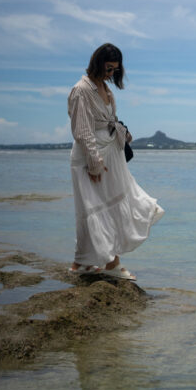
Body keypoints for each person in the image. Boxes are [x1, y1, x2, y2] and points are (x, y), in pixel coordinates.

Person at [67, 43, 163, 280]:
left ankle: (82, 263)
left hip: (111, 152)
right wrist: (94, 162)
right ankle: (111, 264)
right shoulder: (81, 90)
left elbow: (110, 120)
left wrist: (122, 133)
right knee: (97, 208)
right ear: (97, 62)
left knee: (105, 204)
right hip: (92, 156)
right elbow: (82, 131)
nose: (110, 74)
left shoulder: (105, 89)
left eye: (114, 70)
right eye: (108, 68)